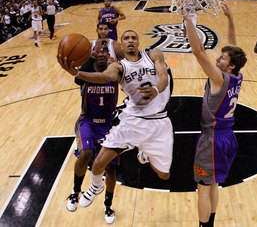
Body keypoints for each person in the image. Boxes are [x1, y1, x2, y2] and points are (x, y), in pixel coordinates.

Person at [57, 30, 173, 212]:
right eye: (126, 38)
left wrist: (157, 90)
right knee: (97, 163)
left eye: (134, 37)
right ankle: (95, 187)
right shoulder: (119, 67)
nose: (130, 41)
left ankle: (144, 152)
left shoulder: (153, 54)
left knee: (164, 175)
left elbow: (163, 76)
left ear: (138, 41)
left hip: (158, 122)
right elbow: (104, 77)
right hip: (133, 121)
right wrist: (77, 74)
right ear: (121, 44)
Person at [182, 0, 247, 227]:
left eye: (222, 58)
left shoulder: (219, 78)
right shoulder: (237, 75)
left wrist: (187, 18)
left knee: (202, 188)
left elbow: (198, 51)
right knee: (214, 185)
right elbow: (234, 48)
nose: (218, 58)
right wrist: (230, 19)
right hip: (228, 137)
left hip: (212, 140)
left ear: (229, 66)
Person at [65, 42, 119, 224]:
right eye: (98, 51)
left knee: (111, 168)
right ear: (94, 54)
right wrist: (89, 57)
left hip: (108, 125)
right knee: (86, 153)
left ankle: (108, 204)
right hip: (87, 121)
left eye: (105, 51)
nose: (102, 54)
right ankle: (75, 192)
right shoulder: (86, 73)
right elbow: (77, 78)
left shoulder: (116, 71)